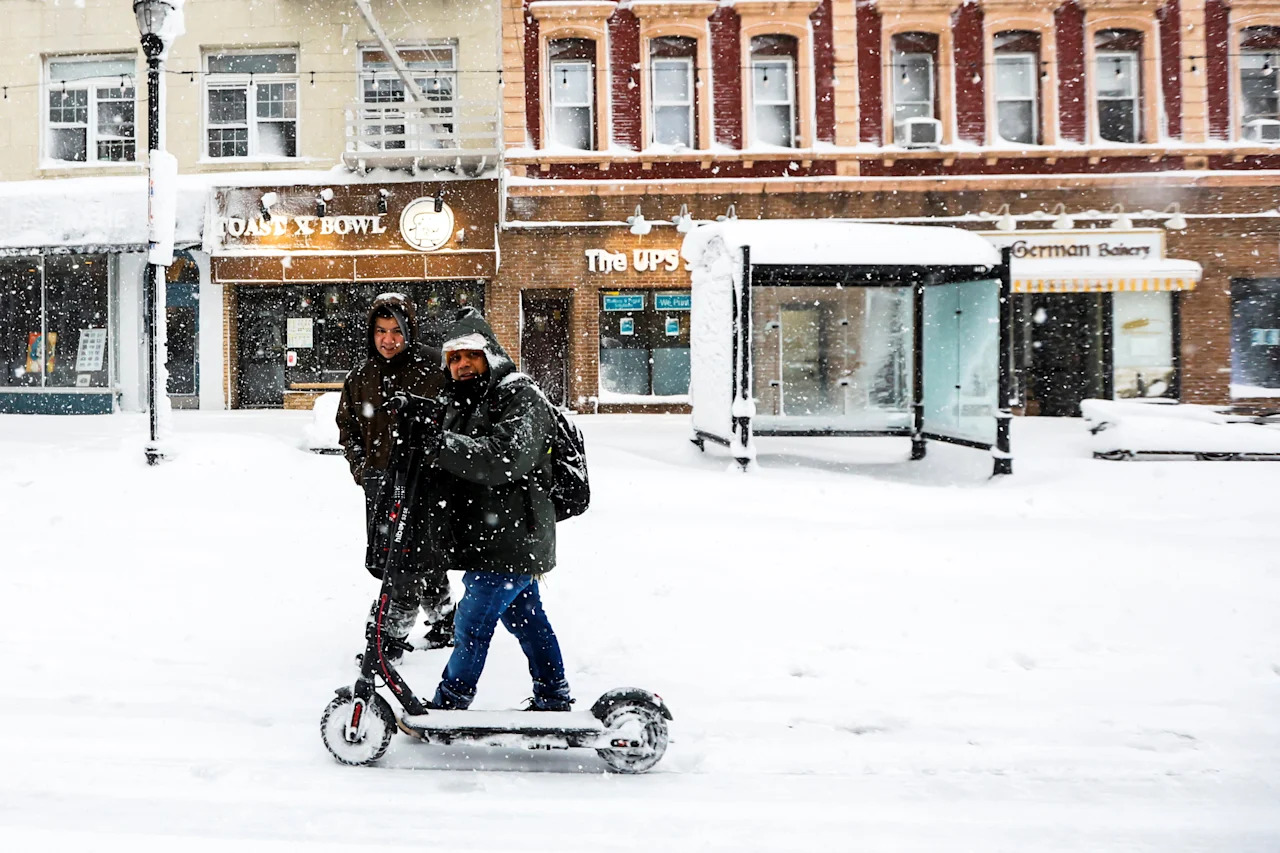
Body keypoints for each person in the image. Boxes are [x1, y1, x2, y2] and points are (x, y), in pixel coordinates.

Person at [411, 308, 572, 711]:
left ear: (491, 355)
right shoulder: (460, 401)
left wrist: (439, 444)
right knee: (528, 620)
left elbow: (504, 459)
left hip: (515, 536)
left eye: (471, 355)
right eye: (454, 358)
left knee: (471, 622)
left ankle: (450, 703)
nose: (462, 365)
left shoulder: (521, 396)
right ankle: (554, 696)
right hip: (492, 537)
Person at [335, 292, 455, 659]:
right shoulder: (361, 375)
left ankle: (390, 636)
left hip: (426, 482)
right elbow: (348, 427)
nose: (388, 340)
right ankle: (446, 618)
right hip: (380, 482)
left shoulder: (435, 366)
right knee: (395, 555)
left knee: (409, 559)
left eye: (396, 331)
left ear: (409, 331)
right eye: (381, 331)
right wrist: (362, 468)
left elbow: (459, 413)